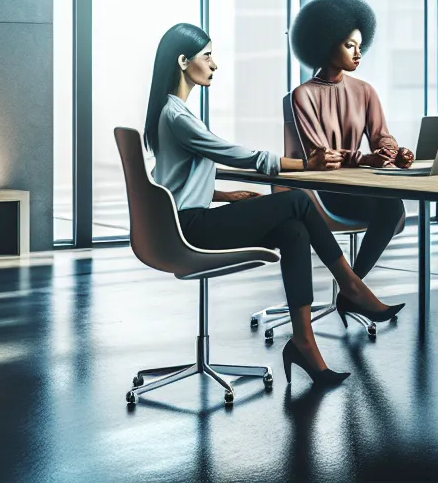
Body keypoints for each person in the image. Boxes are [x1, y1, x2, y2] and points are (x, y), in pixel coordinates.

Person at [143, 22, 404, 388]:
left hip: (188, 218)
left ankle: (303, 342)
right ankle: (351, 285)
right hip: (190, 228)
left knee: (292, 229)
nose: (214, 64)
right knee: (296, 199)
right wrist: (304, 164)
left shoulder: (171, 113)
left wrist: (222, 195)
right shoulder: (177, 116)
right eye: (207, 56)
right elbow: (239, 155)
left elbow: (170, 179)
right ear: (184, 62)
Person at [287, 0, 411, 286]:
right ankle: (354, 289)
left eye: (359, 46)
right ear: (326, 42)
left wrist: (394, 153)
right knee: (392, 208)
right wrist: (365, 159)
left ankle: (352, 287)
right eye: (349, 45)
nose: (358, 53)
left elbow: (382, 137)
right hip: (328, 191)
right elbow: (322, 155)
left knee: (394, 206)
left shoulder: (365, 90)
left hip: (362, 184)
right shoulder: (303, 95)